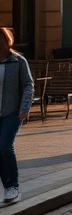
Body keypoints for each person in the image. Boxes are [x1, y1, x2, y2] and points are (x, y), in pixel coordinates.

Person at [0, 27, 32, 205]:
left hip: (12, 112)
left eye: (1, 40)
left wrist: (24, 108)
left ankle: (12, 185)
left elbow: (28, 84)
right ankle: (7, 187)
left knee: (5, 145)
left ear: (7, 41)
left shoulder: (18, 61)